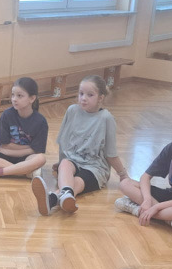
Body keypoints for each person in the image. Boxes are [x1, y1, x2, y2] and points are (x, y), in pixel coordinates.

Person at [30, 75, 126, 216]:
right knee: (66, 164)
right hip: (73, 160)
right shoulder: (72, 111)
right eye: (81, 94)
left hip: (95, 168)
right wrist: (61, 163)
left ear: (100, 97)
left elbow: (110, 153)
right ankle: (65, 195)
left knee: (78, 181)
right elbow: (64, 141)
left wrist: (123, 174)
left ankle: (53, 198)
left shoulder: (106, 118)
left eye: (90, 95)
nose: (83, 98)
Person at [0, 77, 48, 179]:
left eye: (19, 96)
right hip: (4, 157)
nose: (14, 99)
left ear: (32, 98)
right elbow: (6, 145)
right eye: (13, 95)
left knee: (41, 159)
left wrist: (3, 150)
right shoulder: (7, 115)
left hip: (26, 158)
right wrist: (27, 148)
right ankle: (25, 172)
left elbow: (35, 151)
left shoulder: (41, 121)